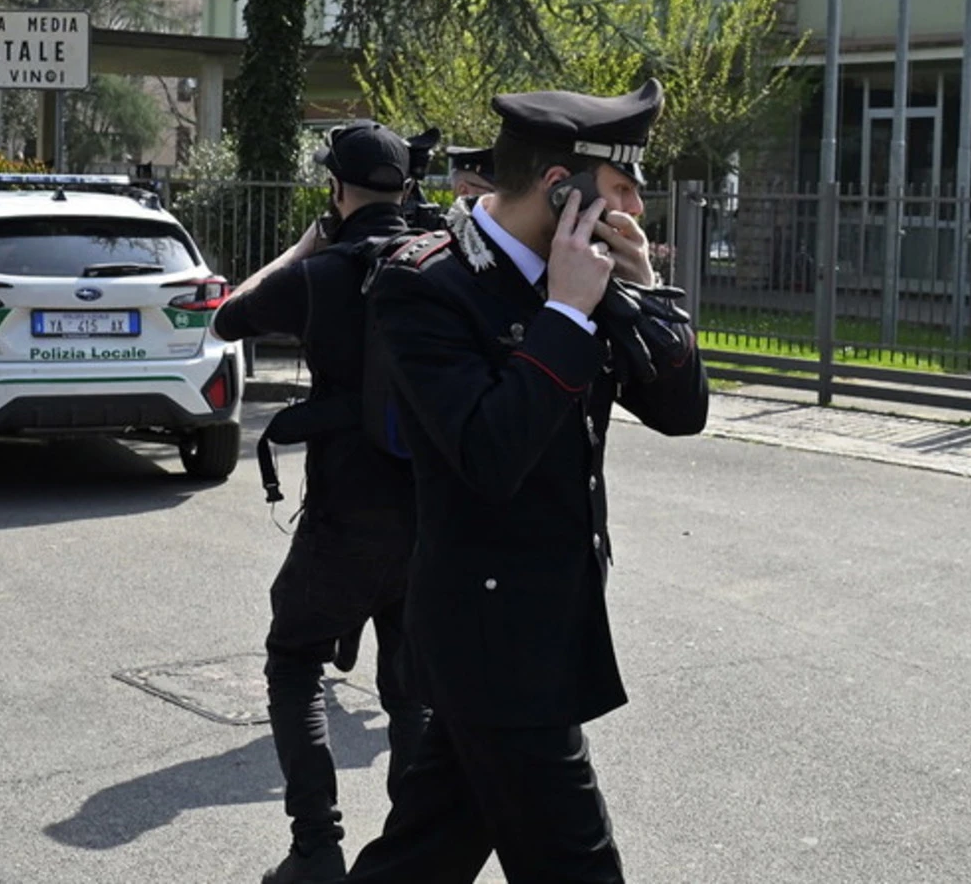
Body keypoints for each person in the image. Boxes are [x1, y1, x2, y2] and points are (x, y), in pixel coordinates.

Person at [344, 79, 708, 884]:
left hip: (549, 622)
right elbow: (488, 455)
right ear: (558, 188)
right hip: (490, 640)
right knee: (578, 866)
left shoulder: (581, 271)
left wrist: (643, 296)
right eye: (621, 187)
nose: (636, 208)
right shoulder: (426, 283)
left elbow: (682, 414)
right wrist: (567, 315)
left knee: (424, 851)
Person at [212, 122, 430, 884]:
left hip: (345, 517)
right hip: (429, 517)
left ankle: (317, 848)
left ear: (335, 190)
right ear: (408, 189)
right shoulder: (439, 264)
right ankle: (413, 854)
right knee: (412, 691)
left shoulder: (324, 273)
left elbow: (228, 316)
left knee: (295, 659)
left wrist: (306, 247)